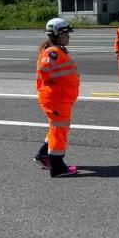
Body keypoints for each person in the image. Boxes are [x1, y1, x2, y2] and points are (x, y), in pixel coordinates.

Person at [34, 18, 80, 177]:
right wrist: (54, 83)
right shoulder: (52, 52)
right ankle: (58, 167)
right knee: (58, 132)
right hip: (56, 99)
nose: (69, 36)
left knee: (56, 130)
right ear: (57, 34)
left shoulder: (57, 50)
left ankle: (42, 156)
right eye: (66, 33)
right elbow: (44, 70)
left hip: (60, 99)